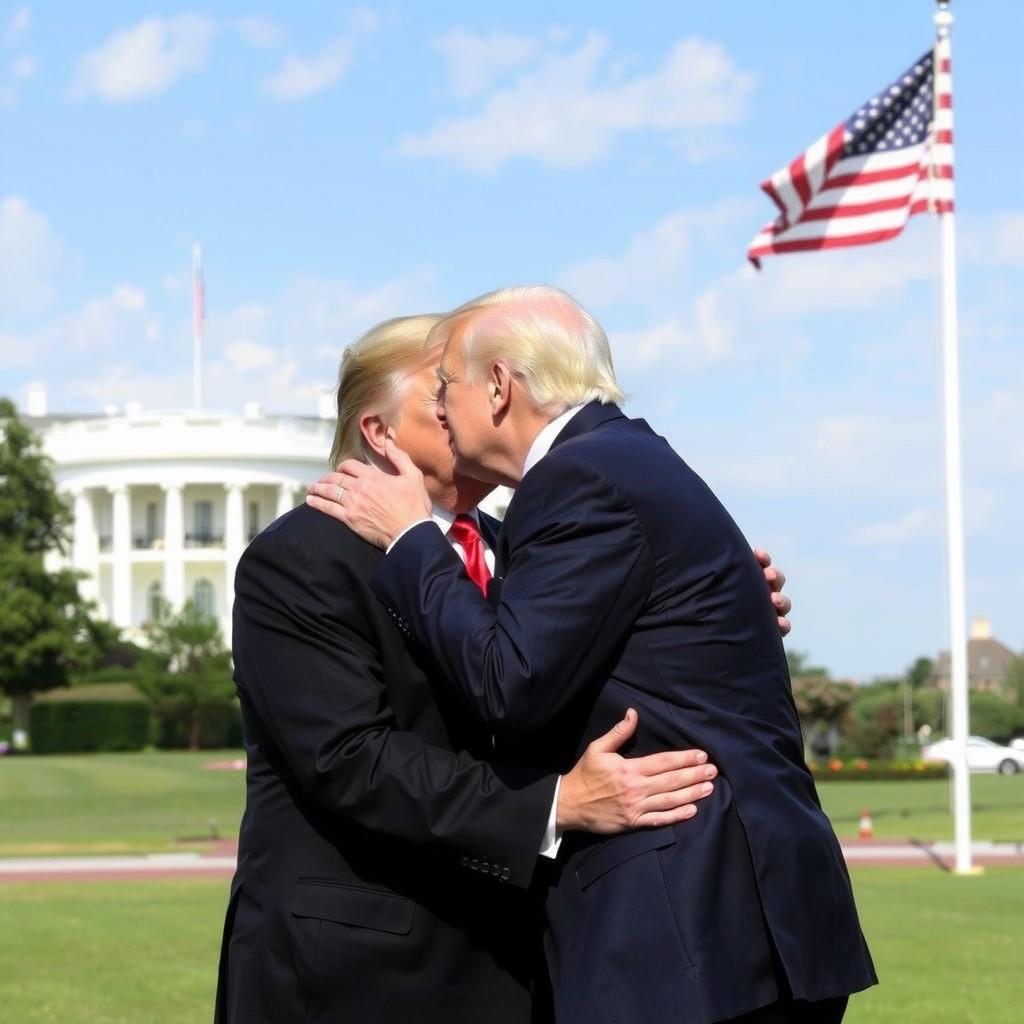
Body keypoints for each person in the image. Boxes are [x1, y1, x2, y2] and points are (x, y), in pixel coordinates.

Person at [310, 286, 876, 1024]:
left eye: (446, 386)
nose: (443, 410)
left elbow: (506, 685)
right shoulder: (633, 459)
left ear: (500, 387)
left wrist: (414, 539)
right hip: (742, 917)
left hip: (689, 922)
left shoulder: (580, 480)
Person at [216, 313, 739, 1024]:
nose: (473, 405)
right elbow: (351, 760)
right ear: (380, 432)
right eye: (441, 397)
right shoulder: (303, 559)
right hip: (354, 975)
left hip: (516, 963)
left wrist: (704, 589)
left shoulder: (528, 545)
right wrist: (556, 805)